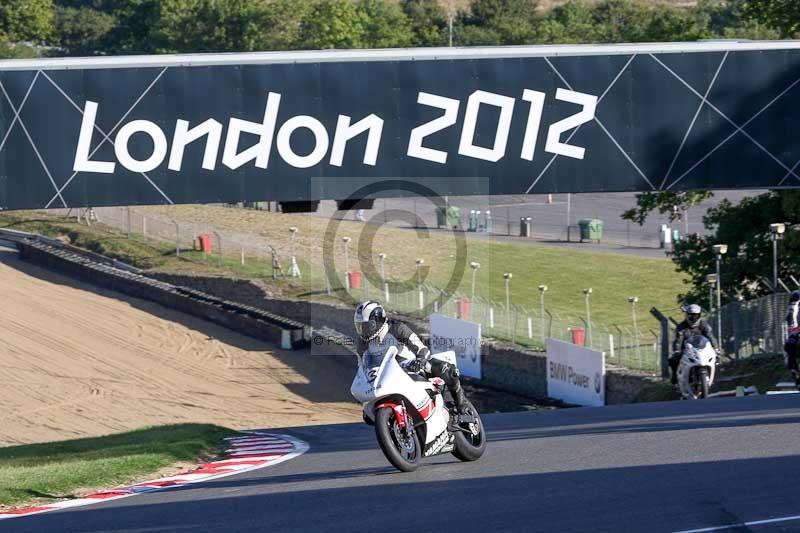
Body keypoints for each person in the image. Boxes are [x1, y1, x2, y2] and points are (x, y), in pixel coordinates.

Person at [354, 300, 469, 414]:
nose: (363, 330)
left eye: (367, 326)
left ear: (378, 321)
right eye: (360, 326)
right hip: (385, 376)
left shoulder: (397, 329)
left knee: (446, 370)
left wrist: (420, 360)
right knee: (367, 415)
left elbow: (421, 348)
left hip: (411, 365)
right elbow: (362, 369)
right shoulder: (362, 343)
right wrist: (362, 389)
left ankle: (461, 403)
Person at [670, 304, 718, 384]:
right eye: (691, 315)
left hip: (702, 349)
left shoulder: (704, 325)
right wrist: (677, 350)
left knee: (716, 357)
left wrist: (715, 347)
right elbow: (678, 340)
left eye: (696, 316)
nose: (693, 318)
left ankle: (712, 376)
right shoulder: (681, 327)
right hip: (686, 350)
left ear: (699, 315)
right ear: (687, 315)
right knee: (673, 360)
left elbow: (710, 336)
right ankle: (675, 376)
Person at [783, 290, 800, 384]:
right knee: (790, 343)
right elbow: (791, 314)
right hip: (796, 328)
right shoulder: (796, 295)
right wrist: (793, 328)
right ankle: (793, 367)